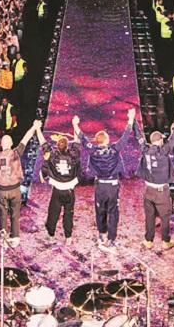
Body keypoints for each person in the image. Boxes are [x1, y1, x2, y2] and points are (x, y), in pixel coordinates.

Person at [73, 108, 136, 252]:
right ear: (107, 140)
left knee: (100, 210)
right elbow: (126, 135)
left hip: (100, 187)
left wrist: (75, 124)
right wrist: (131, 119)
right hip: (112, 186)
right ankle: (111, 239)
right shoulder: (114, 148)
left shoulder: (93, 150)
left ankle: (102, 235)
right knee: (113, 212)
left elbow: (82, 138)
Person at [0, 117, 41, 247]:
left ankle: (3, 237)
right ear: (11, 143)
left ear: (1, 144)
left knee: (3, 215)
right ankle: (15, 237)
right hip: (15, 189)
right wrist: (34, 127)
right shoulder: (16, 153)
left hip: (1, 190)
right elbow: (26, 138)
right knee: (15, 213)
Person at [138, 109, 174, 250]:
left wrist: (132, 121)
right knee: (165, 217)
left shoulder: (145, 150)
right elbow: (173, 138)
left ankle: (148, 241)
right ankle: (165, 241)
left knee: (149, 216)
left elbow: (138, 136)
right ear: (160, 140)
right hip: (161, 191)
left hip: (148, 191)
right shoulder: (164, 151)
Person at [39, 131, 81, 245]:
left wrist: (37, 129)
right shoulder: (73, 155)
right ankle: (68, 237)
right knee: (68, 214)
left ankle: (51, 235)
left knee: (53, 213)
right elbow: (77, 141)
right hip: (69, 191)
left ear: (57, 146)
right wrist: (75, 125)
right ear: (67, 146)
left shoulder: (53, 155)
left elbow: (43, 144)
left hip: (57, 191)